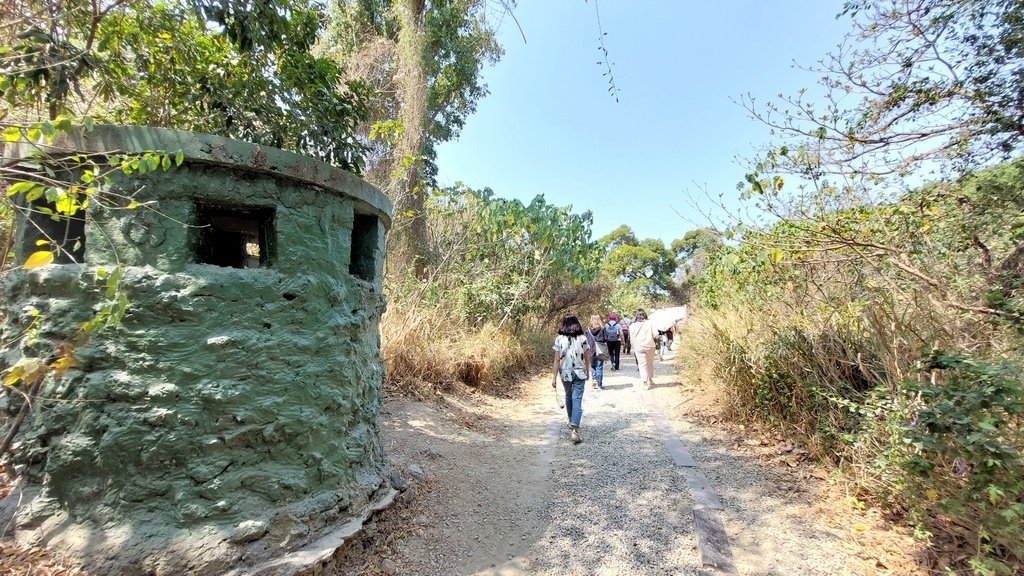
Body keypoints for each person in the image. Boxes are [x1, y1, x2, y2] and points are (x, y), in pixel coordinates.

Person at [552, 314, 590, 443]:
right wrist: (588, 371)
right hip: (579, 371)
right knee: (577, 398)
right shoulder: (583, 338)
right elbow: (587, 356)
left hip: (565, 372)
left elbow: (557, 359)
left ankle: (571, 422)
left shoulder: (559, 339)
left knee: (568, 396)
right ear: (576, 324)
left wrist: (554, 377)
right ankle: (575, 427)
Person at [630, 308, 657, 389]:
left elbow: (631, 338)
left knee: (642, 364)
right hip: (650, 346)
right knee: (649, 363)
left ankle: (645, 382)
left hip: (638, 347)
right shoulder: (650, 323)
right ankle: (650, 379)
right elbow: (656, 334)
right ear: (645, 315)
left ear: (636, 316)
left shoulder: (633, 326)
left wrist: (633, 347)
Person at [586, 314, 607, 389]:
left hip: (590, 350)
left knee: (593, 366)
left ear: (591, 320)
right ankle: (599, 384)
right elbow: (605, 339)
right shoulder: (603, 329)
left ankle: (594, 379)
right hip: (600, 350)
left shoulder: (588, 330)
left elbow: (585, 340)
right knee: (599, 367)